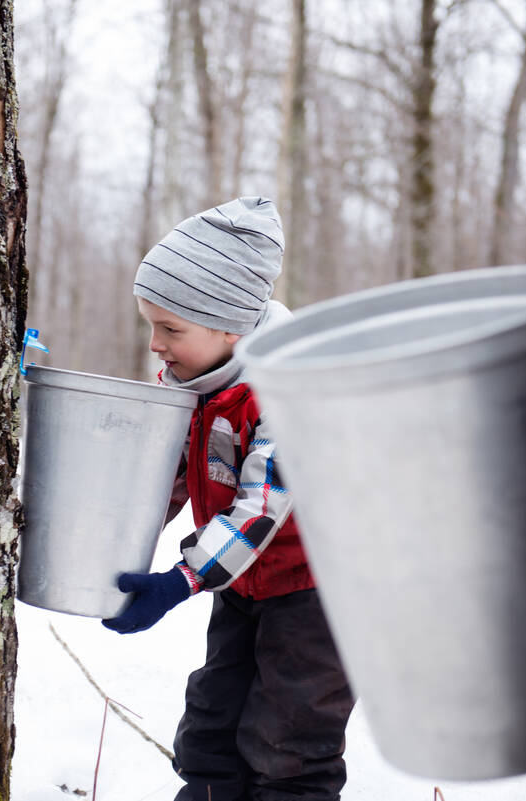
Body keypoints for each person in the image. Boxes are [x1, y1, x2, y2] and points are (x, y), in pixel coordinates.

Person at [102, 197, 355, 801]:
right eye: (151, 326)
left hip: (317, 591)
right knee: (212, 719)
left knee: (290, 737)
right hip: (243, 583)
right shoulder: (193, 381)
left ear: (229, 326)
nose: (157, 345)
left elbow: (258, 509)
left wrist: (179, 581)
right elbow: (168, 476)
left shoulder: (289, 389)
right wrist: (110, 535)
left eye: (171, 330)